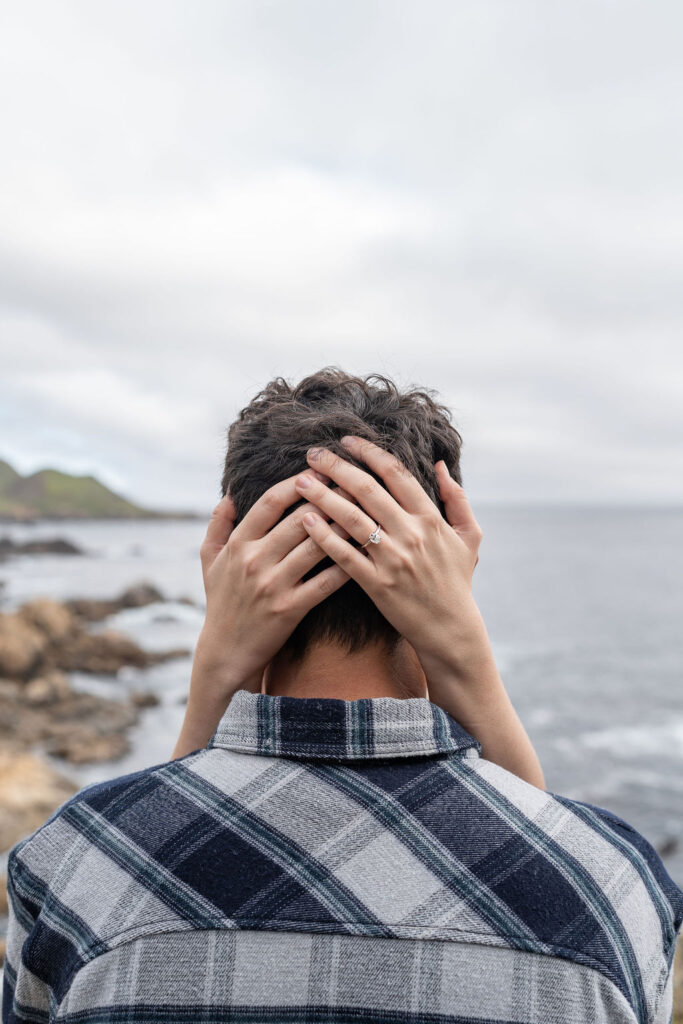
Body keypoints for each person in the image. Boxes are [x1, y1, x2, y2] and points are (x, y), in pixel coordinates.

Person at [3, 367, 682, 1024]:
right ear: (444, 566)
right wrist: (462, 651)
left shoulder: (75, 867)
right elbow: (531, 856)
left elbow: (157, 848)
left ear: (234, 566)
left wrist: (216, 672)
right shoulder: (609, 886)